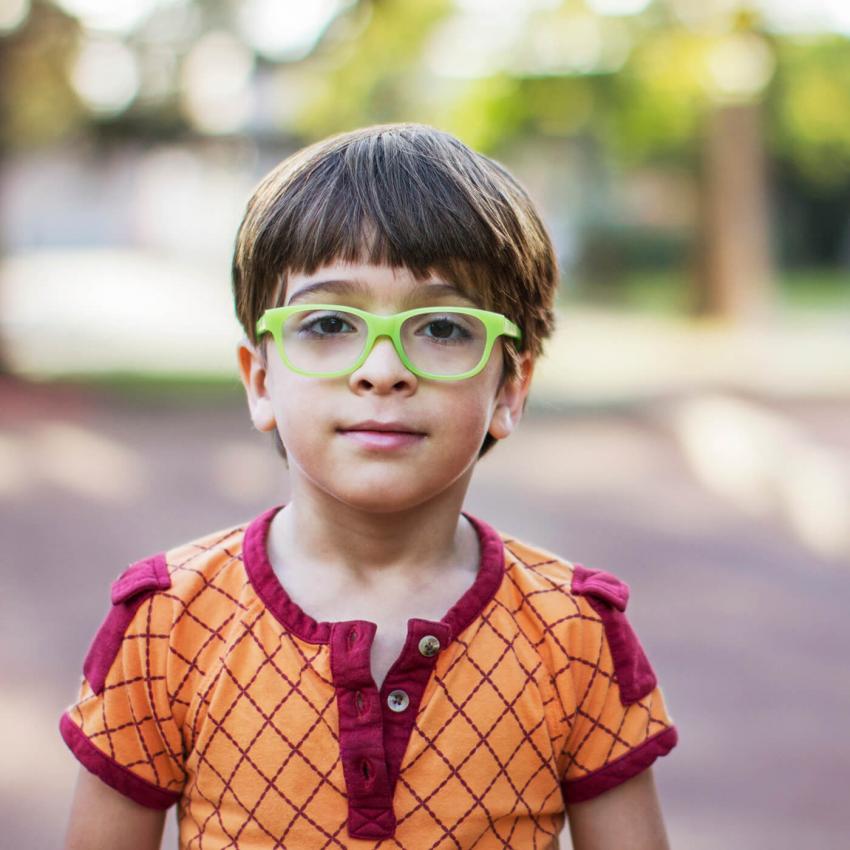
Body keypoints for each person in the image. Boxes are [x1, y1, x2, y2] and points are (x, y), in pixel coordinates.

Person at [59, 123, 678, 850]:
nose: (382, 368)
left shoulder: (573, 636)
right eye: (328, 322)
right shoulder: (168, 623)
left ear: (512, 387)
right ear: (260, 380)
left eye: (442, 328)